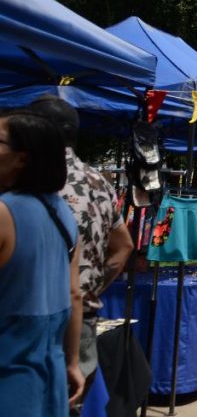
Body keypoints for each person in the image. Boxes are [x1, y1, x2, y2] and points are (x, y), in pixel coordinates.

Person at [29, 96, 133, 404]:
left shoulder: (32, 179)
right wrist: (90, 290)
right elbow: (123, 246)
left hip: (34, 319)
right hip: (82, 321)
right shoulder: (99, 182)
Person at [0, 111, 85, 416]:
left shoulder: (4, 213)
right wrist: (73, 362)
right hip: (50, 379)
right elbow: (75, 295)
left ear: (22, 158)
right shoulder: (63, 212)